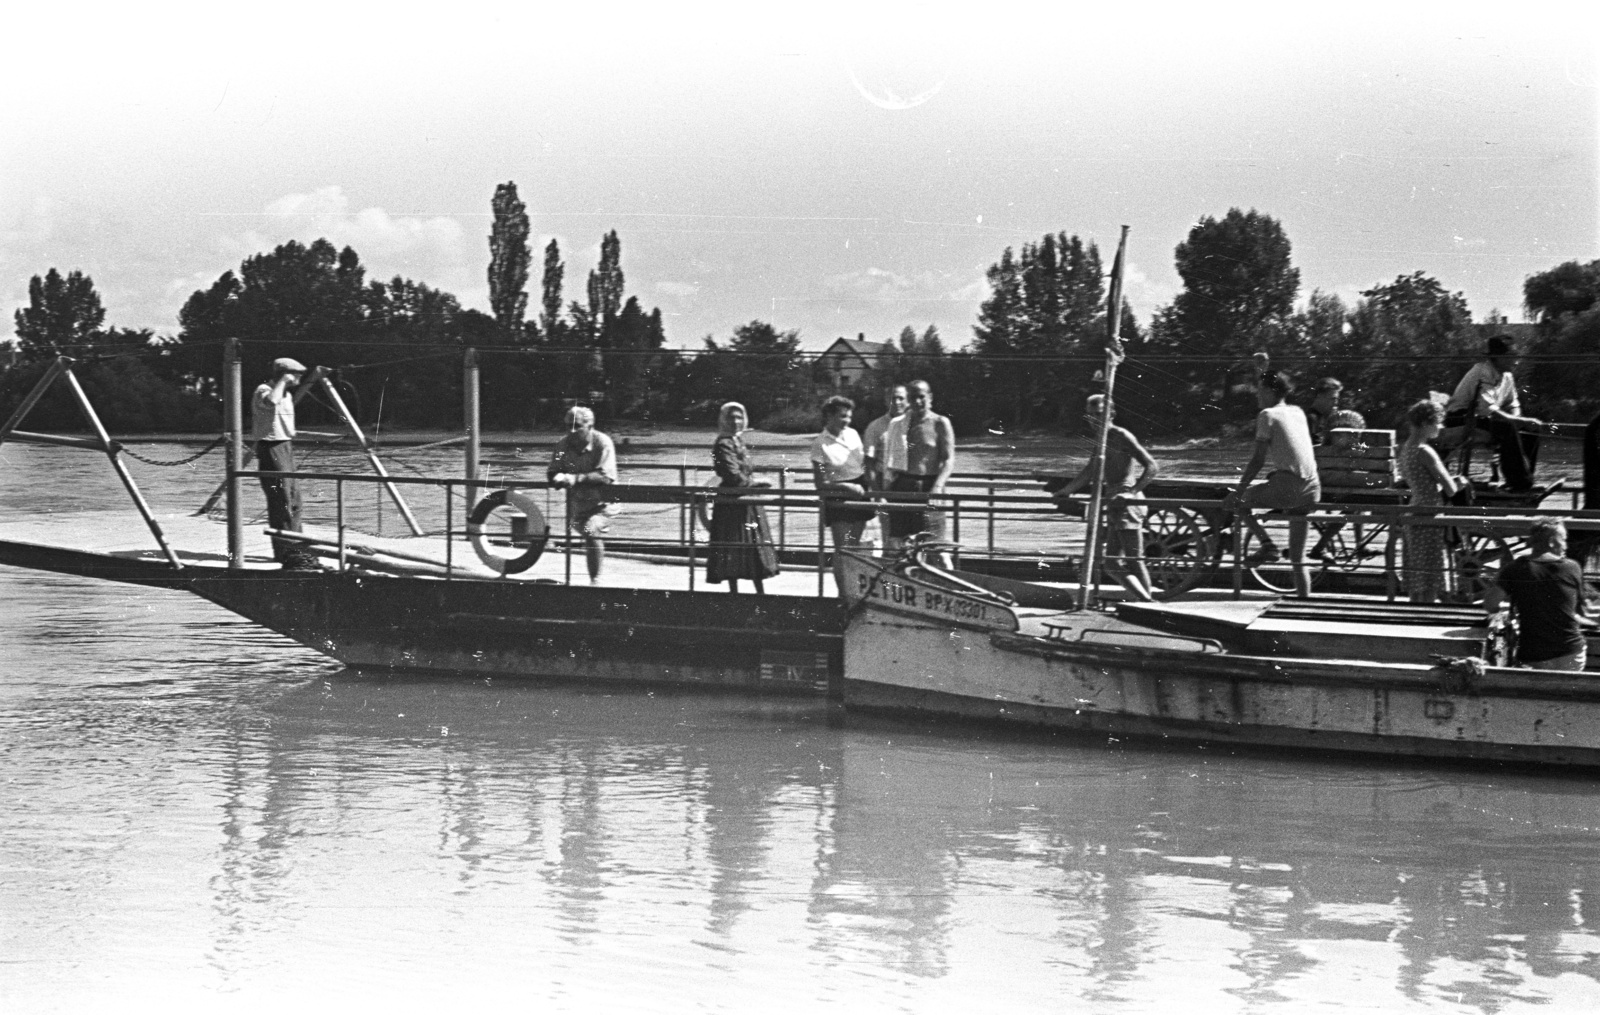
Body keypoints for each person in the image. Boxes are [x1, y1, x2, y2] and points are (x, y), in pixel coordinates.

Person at [1050, 394, 1161, 601]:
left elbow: (1152, 466)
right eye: (1091, 415)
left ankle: (1149, 604)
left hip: (1127, 503)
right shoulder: (1100, 441)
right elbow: (1091, 470)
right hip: (1114, 502)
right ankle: (1146, 600)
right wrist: (1067, 490)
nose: (1095, 419)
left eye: (1100, 414)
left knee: (1134, 559)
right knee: (1111, 563)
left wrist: (1132, 492)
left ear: (1112, 414)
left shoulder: (1121, 435)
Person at [1224, 370, 1321, 598]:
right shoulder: (1297, 412)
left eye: (1259, 390)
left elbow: (1257, 460)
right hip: (1313, 488)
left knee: (1238, 503)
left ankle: (1267, 544)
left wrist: (1238, 491)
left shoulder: (1266, 415)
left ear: (1268, 390)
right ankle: (1304, 604)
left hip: (1290, 488)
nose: (1257, 395)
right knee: (1298, 558)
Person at [1486, 518, 1593, 671]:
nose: (1566, 546)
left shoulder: (1514, 569)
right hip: (1571, 654)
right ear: (1551, 541)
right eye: (1563, 540)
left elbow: (1490, 604)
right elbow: (1577, 610)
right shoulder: (1573, 567)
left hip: (1533, 656)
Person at [251, 356, 327, 568]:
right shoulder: (264, 391)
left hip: (285, 446)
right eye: (296, 375)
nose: (299, 379)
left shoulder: (286, 394)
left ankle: (295, 546)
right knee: (281, 499)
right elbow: (270, 403)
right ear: (284, 374)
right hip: (271, 447)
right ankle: (287, 550)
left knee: (294, 500)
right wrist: (283, 381)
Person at [1443, 334, 1543, 493]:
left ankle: (1525, 478)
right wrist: (1516, 421)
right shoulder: (1483, 371)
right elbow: (1487, 409)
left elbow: (1512, 404)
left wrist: (1519, 420)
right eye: (1510, 356)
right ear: (1497, 357)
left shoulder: (1507, 376)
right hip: (1460, 418)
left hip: (1482, 418)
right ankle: (1519, 483)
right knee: (1507, 427)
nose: (1515, 360)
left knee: (1532, 430)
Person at [706, 401, 779, 593]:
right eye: (731, 417)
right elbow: (731, 473)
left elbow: (743, 470)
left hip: (746, 501)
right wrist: (754, 484)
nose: (736, 421)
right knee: (735, 546)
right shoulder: (723, 443)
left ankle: (758, 593)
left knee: (752, 545)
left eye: (739, 417)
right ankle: (735, 594)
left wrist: (754, 480)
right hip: (733, 501)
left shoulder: (737, 441)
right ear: (723, 419)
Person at [882, 380, 956, 560]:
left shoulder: (940, 423)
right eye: (913, 398)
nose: (917, 402)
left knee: (934, 547)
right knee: (899, 546)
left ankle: (945, 585)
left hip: (929, 487)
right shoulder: (898, 424)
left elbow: (948, 459)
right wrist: (886, 488)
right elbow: (889, 460)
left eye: (921, 397)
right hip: (902, 486)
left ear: (930, 397)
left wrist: (938, 487)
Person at [1397, 399, 1460, 604]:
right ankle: (1426, 617)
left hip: (1414, 510)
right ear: (1425, 423)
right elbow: (1450, 488)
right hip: (1429, 515)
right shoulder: (1425, 451)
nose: (1440, 427)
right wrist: (1461, 482)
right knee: (1431, 577)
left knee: (1418, 577)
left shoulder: (1407, 448)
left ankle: (1414, 619)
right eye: (1438, 422)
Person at [547, 405, 618, 585]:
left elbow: (605, 476)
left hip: (605, 503)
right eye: (568, 425)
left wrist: (575, 478)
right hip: (578, 504)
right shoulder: (562, 445)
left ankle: (596, 581)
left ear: (589, 426)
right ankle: (593, 576)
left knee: (590, 529)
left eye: (577, 425)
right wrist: (557, 477)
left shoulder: (602, 443)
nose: (571, 430)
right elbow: (552, 471)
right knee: (586, 529)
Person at [809, 395, 873, 591]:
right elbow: (820, 483)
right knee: (843, 550)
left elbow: (862, 465)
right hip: (839, 495)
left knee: (855, 549)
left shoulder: (853, 434)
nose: (847, 420)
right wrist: (845, 487)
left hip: (860, 491)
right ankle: (843, 595)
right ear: (829, 415)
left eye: (849, 416)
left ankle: (855, 592)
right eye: (842, 416)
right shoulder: (820, 443)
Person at [861, 383, 908, 552]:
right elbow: (869, 466)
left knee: (914, 539)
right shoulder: (875, 427)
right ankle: (890, 576)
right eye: (892, 398)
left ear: (908, 401)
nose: (897, 402)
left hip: (911, 486)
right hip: (886, 487)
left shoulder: (914, 424)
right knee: (890, 537)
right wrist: (878, 495)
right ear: (885, 400)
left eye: (901, 398)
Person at [1305, 377, 1344, 445]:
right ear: (1320, 396)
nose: (1336, 403)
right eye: (1333, 399)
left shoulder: (1322, 418)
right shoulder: (1311, 419)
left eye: (1337, 399)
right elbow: (1316, 450)